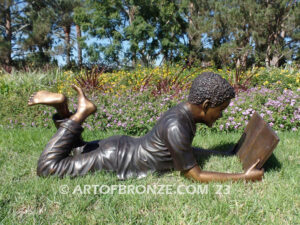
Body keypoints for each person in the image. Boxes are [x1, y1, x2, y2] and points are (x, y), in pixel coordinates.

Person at [28, 72, 264, 182]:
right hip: (116, 159)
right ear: (205, 105)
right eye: (220, 109)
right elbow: (196, 175)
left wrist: (223, 153)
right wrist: (244, 176)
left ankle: (63, 110)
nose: (221, 115)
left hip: (120, 147)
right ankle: (81, 112)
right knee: (48, 167)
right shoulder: (177, 126)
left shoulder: (183, 114)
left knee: (76, 149)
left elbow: (185, 154)